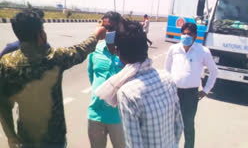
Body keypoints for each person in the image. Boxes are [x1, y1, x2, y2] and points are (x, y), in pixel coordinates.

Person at [0, 8, 106, 148]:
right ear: (40, 35)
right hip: (54, 138)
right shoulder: (53, 58)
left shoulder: (6, 63)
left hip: (26, 138)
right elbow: (80, 50)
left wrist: (11, 136)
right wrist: (96, 35)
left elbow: (4, 105)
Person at [95, 19, 183, 148]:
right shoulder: (168, 78)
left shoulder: (128, 92)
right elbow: (179, 126)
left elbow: (134, 144)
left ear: (118, 52)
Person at [164, 22, 218, 148]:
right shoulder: (174, 49)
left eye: (189, 34)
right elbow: (166, 69)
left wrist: (206, 90)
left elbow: (214, 71)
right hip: (173, 92)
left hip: (190, 94)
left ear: (195, 36)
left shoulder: (203, 51)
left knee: (188, 125)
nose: (186, 36)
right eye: (184, 33)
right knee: (170, 124)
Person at [87, 11, 125, 148]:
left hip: (119, 117)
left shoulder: (126, 53)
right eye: (105, 28)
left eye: (111, 29)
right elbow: (92, 76)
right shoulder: (95, 51)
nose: (107, 32)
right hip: (95, 114)